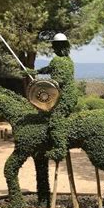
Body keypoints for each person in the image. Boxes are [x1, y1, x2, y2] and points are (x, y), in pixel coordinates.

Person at [38, 33, 79, 161]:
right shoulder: (68, 60)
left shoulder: (59, 60)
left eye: (54, 45)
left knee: (56, 118)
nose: (53, 48)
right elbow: (49, 69)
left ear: (58, 46)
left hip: (65, 96)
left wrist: (41, 84)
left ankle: (60, 148)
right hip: (69, 94)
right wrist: (35, 72)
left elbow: (58, 80)